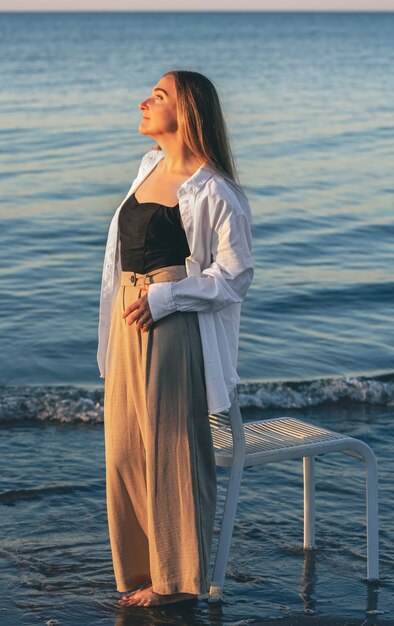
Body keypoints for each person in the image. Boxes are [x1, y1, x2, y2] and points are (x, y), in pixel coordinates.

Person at [97, 69, 254, 608]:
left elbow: (234, 276)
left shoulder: (215, 190)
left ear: (185, 112)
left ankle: (179, 584)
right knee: (124, 452)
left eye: (157, 96)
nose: (144, 101)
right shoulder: (147, 168)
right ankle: (141, 572)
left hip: (173, 325)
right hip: (127, 322)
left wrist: (165, 299)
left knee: (174, 452)